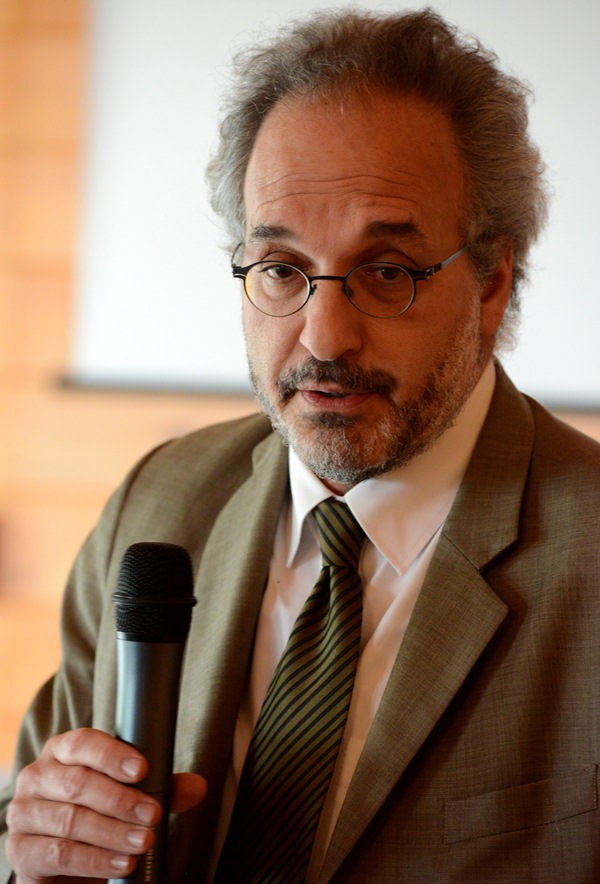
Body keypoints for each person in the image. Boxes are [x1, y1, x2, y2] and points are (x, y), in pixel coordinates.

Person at [2, 7, 599, 882]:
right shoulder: (159, 501)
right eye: (281, 269)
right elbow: (31, 823)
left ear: (492, 281)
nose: (324, 337)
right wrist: (34, 855)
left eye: (386, 272)